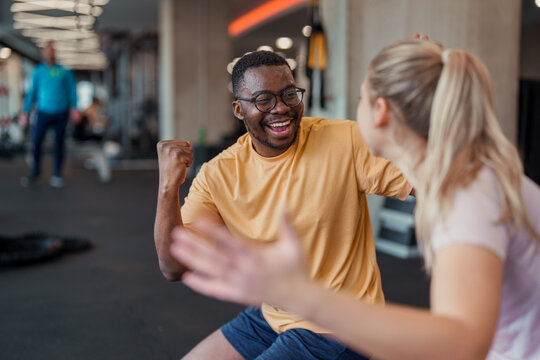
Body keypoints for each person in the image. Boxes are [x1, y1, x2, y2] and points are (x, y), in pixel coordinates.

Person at [170, 39, 540, 360]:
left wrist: (302, 297)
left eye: (361, 99)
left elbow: (463, 343)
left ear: (380, 112)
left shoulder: (469, 195)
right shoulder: (477, 176)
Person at [154, 50, 413, 359]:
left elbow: (431, 183)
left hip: (338, 325)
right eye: (263, 100)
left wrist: (421, 110)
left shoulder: (344, 141)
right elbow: (173, 266)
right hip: (274, 312)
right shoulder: (219, 174)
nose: (281, 109)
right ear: (239, 109)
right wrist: (169, 187)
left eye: (289, 94)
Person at [19, 42, 80, 188]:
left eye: (51, 51)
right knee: (37, 141)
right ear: (42, 54)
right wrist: (25, 112)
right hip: (43, 111)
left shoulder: (64, 71)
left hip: (61, 112)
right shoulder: (37, 71)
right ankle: (35, 172)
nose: (49, 54)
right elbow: (31, 93)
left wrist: (75, 108)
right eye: (46, 51)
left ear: (54, 53)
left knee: (59, 143)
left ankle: (57, 174)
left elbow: (72, 90)